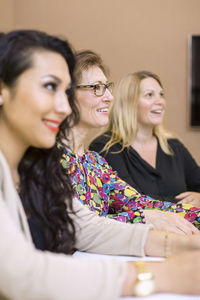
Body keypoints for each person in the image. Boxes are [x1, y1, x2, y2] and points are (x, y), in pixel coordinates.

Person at [1, 29, 200, 300]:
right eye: (50, 87)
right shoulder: (53, 158)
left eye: (65, 91)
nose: (63, 106)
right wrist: (159, 275)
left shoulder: (42, 163)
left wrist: (182, 244)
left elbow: (87, 226)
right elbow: (21, 275)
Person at [60, 50, 200, 234]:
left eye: (107, 87)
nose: (110, 97)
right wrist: (143, 217)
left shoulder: (94, 162)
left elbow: (139, 202)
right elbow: (72, 227)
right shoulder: (47, 159)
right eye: (96, 87)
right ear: (66, 95)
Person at [90, 71, 200, 208]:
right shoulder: (105, 147)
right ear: (129, 103)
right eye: (149, 95)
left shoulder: (173, 145)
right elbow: (133, 202)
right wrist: (187, 203)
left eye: (161, 95)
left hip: (186, 228)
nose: (160, 101)